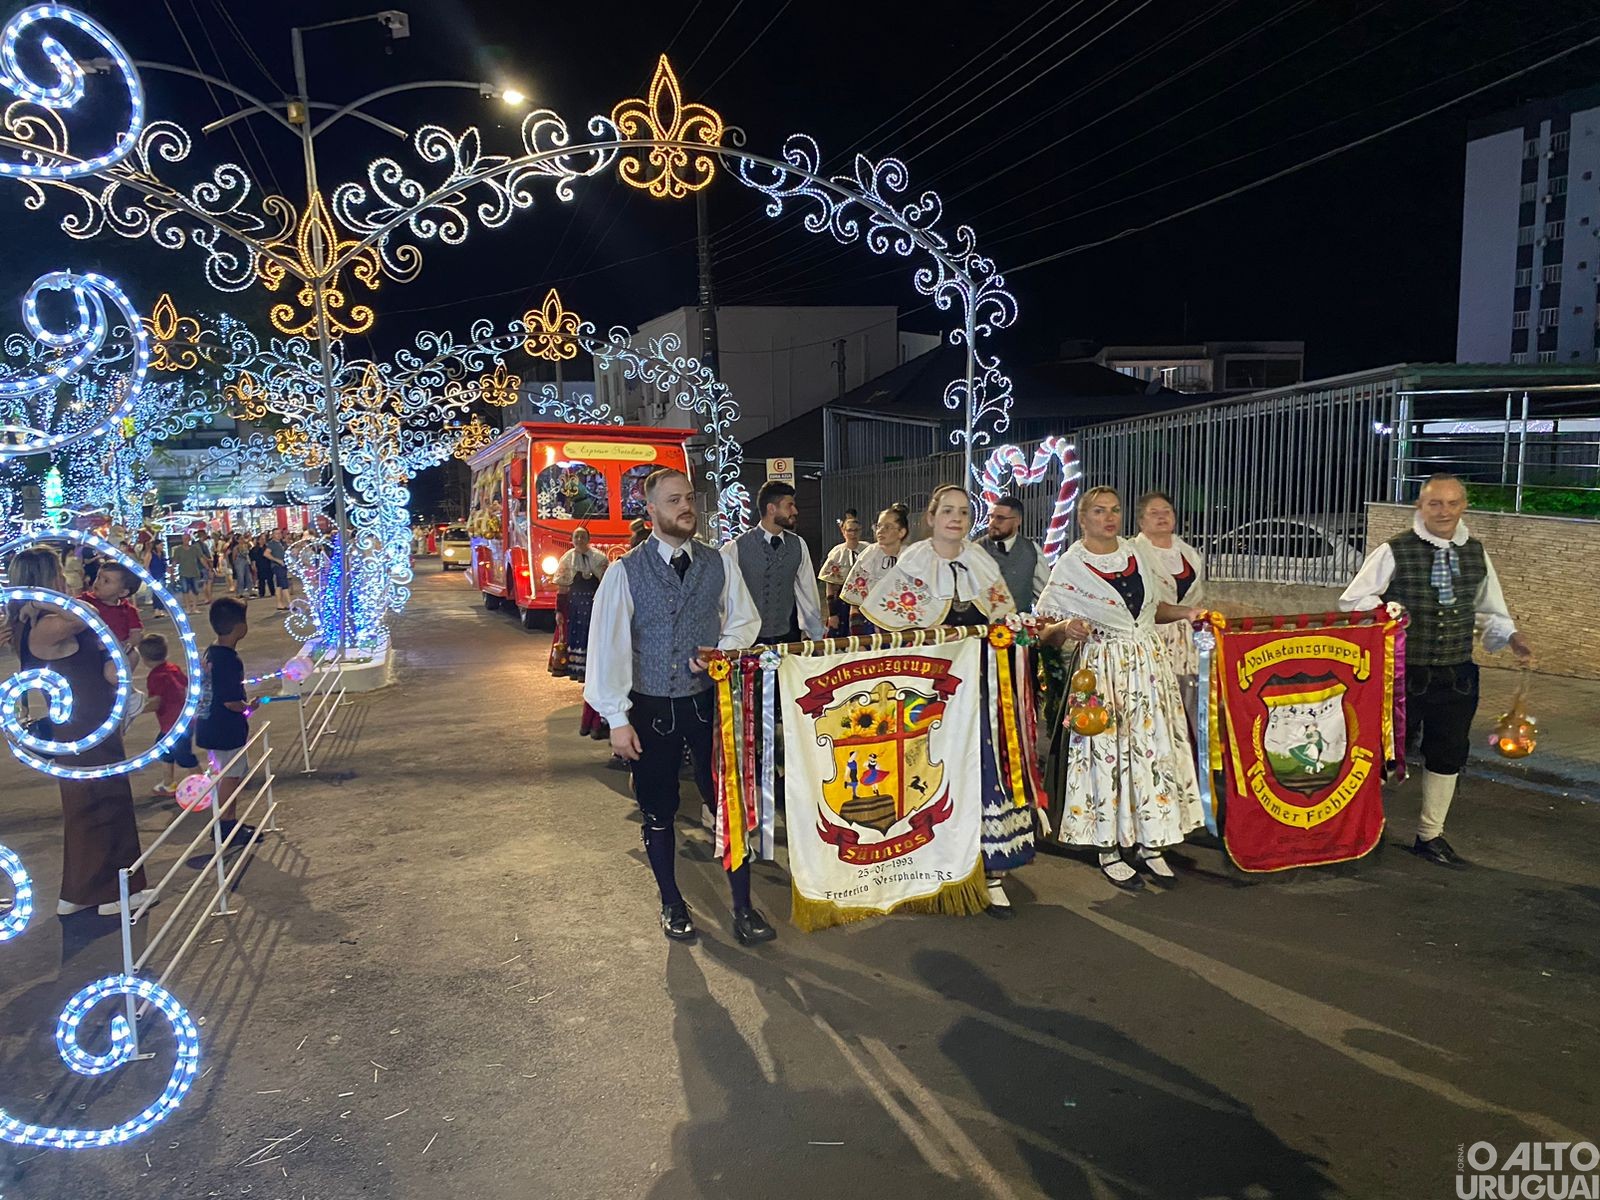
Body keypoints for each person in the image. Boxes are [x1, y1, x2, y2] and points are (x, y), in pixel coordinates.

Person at [584, 468, 773, 945]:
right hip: (649, 707)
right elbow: (608, 649)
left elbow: (745, 620)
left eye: (689, 498)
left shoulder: (718, 563)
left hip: (709, 705)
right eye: (673, 501)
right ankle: (671, 902)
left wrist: (721, 651)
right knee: (659, 808)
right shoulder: (625, 571)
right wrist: (618, 720)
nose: (685, 507)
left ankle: (744, 908)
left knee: (725, 803)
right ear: (650, 512)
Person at [1338, 473, 1532, 867]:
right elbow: (1352, 600)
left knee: (1448, 754)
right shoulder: (1396, 550)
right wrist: (1385, 611)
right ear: (1419, 506)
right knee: (1380, 753)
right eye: (1435, 503)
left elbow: (1488, 608)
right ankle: (1363, 829)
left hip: (1456, 674)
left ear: (1464, 506)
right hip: (1400, 674)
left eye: (1452, 503)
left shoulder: (1475, 552)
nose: (1444, 511)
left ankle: (1430, 835)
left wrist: (1512, 638)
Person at [859, 484, 1033, 915]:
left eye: (963, 511)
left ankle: (989, 870)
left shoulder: (980, 562)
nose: (956, 518)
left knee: (981, 770)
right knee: (932, 775)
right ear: (931, 518)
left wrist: (1023, 631)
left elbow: (1004, 622)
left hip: (980, 689)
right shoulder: (912, 564)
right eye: (947, 511)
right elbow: (889, 635)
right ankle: (930, 865)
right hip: (929, 695)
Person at [1036, 486, 1205, 890]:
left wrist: (1188, 612)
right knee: (1105, 757)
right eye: (1098, 511)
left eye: (1114, 510)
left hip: (1148, 668)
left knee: (1151, 752)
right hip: (1102, 670)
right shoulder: (1070, 567)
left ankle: (1151, 842)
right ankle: (1108, 847)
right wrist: (1065, 628)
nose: (1109, 518)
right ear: (1082, 518)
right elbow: (1043, 631)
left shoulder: (1137, 553)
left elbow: (1154, 609)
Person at [7, 547, 155, 917]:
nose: (65, 579)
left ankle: (79, 890)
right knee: (107, 800)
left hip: (77, 723)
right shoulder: (48, 624)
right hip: (87, 723)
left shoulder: (32, 620)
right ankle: (116, 892)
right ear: (44, 579)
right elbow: (89, 612)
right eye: (57, 572)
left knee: (83, 804)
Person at [1132, 491, 1207, 723]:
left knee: (1192, 698)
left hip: (1188, 638)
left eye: (1166, 511)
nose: (1161, 516)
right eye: (1153, 513)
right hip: (1152, 637)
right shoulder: (1132, 553)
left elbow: (1196, 595)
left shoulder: (1189, 553)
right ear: (1141, 521)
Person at [721, 480, 825, 646]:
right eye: (789, 506)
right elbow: (722, 598)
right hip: (746, 643)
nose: (795, 511)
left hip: (788, 639)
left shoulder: (798, 545)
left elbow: (808, 594)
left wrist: (817, 636)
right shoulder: (735, 548)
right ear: (771, 509)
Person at [193, 597, 257, 843]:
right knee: (231, 776)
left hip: (208, 724)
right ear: (240, 627)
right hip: (226, 729)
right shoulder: (229, 660)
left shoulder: (210, 653)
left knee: (223, 774)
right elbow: (231, 701)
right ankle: (226, 825)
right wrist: (248, 708)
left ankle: (226, 823)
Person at [139, 632, 198, 797]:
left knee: (184, 756)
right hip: (184, 720)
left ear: (144, 659)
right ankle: (168, 783)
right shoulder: (172, 668)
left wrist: (137, 709)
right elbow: (186, 683)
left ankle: (201, 784)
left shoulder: (155, 677)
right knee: (164, 748)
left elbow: (156, 702)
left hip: (173, 725)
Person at [838, 504, 909, 635]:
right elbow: (855, 601)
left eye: (887, 527)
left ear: (901, 532)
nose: (880, 531)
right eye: (879, 526)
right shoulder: (869, 556)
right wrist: (858, 638)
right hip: (871, 629)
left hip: (904, 630)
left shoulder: (912, 558)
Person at [977, 496, 1050, 610]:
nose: (992, 523)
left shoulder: (1032, 550)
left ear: (1017, 521)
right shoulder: (975, 550)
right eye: (991, 517)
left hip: (1020, 625)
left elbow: (1044, 595)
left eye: (1000, 518)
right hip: (981, 626)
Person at [816, 510, 865, 634]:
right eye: (849, 530)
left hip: (863, 601)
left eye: (856, 530)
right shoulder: (837, 553)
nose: (853, 534)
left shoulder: (867, 550)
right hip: (842, 603)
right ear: (843, 531)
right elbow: (830, 586)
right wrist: (832, 613)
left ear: (860, 531)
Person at [170, 532, 206, 615]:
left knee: (195, 590)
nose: (185, 540)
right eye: (184, 539)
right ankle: (188, 607)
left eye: (187, 539)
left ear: (189, 539)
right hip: (183, 572)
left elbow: (201, 559)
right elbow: (175, 560)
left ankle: (195, 607)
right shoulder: (178, 550)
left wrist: (207, 568)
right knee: (185, 590)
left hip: (194, 572)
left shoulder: (195, 549)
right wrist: (172, 569)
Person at [265, 532, 290, 610]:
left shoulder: (281, 543)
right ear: (273, 535)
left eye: (279, 533)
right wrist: (277, 560)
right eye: (276, 534)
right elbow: (266, 554)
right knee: (284, 585)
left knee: (279, 585)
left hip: (283, 565)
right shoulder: (272, 544)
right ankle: (290, 604)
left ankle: (280, 604)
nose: (279, 535)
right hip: (277, 566)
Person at [250, 534, 274, 599]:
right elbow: (253, 559)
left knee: (270, 579)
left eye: (264, 539)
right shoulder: (254, 549)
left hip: (268, 564)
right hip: (260, 565)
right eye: (261, 539)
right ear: (258, 540)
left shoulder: (267, 547)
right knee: (261, 580)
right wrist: (254, 565)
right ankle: (261, 593)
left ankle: (272, 592)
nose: (263, 541)